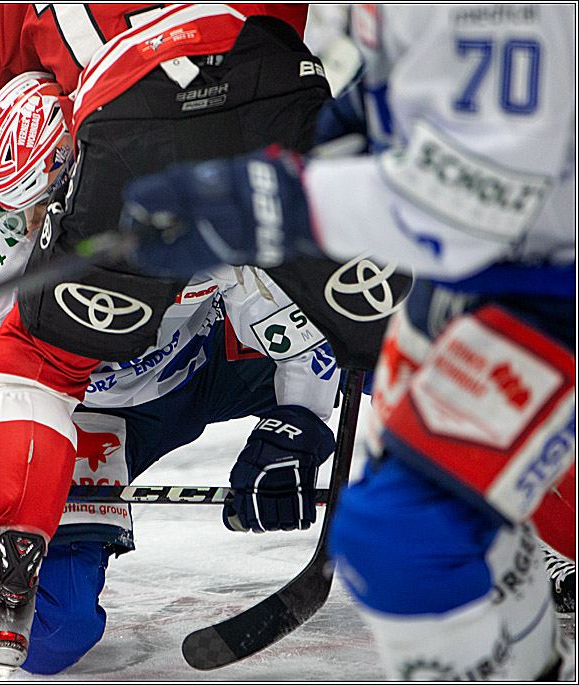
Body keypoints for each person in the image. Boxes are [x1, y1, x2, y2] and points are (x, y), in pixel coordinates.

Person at [116, 4, 575, 679]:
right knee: (453, 525)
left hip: (545, 280)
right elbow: (417, 94)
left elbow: (488, 190)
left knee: (406, 535)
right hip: (495, 273)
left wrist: (276, 203)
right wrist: (336, 136)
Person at [0, 68, 340, 678]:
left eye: (35, 210)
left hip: (210, 363)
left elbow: (305, 318)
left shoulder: (171, 194)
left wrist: (298, 424)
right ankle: (20, 531)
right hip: (84, 415)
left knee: (382, 342)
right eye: (5, 209)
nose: (22, 229)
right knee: (54, 638)